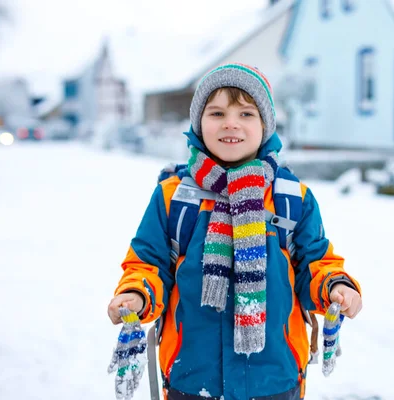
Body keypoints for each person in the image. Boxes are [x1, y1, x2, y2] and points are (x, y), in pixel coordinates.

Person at [107, 63, 362, 400]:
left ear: (265, 125)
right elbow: (148, 264)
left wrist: (335, 285)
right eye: (216, 113)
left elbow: (315, 262)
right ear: (199, 123)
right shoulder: (174, 197)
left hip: (275, 380)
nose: (231, 123)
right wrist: (137, 294)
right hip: (192, 379)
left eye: (246, 113)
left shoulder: (290, 198)